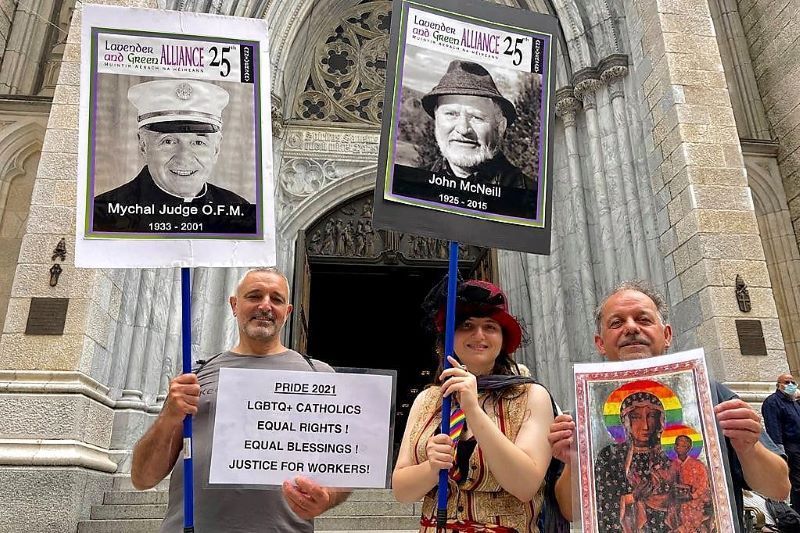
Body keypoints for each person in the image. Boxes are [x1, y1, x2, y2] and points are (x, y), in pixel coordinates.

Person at [548, 280, 790, 530]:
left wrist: (748, 448)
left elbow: (779, 488)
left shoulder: (710, 396)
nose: (631, 328)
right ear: (600, 342)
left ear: (666, 335)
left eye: (643, 319)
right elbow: (571, 512)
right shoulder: (591, 421)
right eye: (617, 323)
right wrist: (573, 461)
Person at [130, 267, 348, 532]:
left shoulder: (320, 376)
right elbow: (143, 478)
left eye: (276, 299)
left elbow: (344, 466)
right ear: (234, 305)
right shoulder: (194, 376)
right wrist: (169, 416)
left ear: (288, 312)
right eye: (254, 296)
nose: (265, 306)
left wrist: (328, 497)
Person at [392, 279, 555, 532]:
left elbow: (525, 485)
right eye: (466, 325)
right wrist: (432, 467)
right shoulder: (427, 400)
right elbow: (402, 491)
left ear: (503, 339)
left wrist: (474, 411)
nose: (478, 335)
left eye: (490, 327)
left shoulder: (532, 396)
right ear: (449, 337)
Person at [93, 79, 255, 234]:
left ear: (216, 148)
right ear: (143, 145)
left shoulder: (240, 211)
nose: (184, 157)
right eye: (168, 141)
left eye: (198, 142)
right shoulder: (103, 212)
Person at [393, 60, 537, 220]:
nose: (463, 129)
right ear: (436, 121)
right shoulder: (410, 187)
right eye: (451, 114)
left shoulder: (531, 199)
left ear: (500, 126)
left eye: (476, 117)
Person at [595, 391, 678, 533]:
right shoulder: (610, 456)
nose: (645, 425)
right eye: (636, 417)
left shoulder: (668, 456)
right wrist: (632, 497)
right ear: (625, 421)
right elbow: (602, 502)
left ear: (660, 420)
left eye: (651, 416)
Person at [762, 373, 800, 514]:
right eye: (786, 382)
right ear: (778, 385)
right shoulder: (772, 402)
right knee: (797, 481)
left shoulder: (793, 402)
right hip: (789, 447)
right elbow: (773, 427)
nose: (790, 385)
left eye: (792, 382)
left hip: (798, 444)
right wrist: (778, 450)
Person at [671, 435, 712, 532]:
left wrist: (692, 496)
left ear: (689, 448)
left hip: (694, 504)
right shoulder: (672, 465)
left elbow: (703, 486)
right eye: (677, 445)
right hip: (676, 504)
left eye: (683, 446)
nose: (679, 448)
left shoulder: (698, 465)